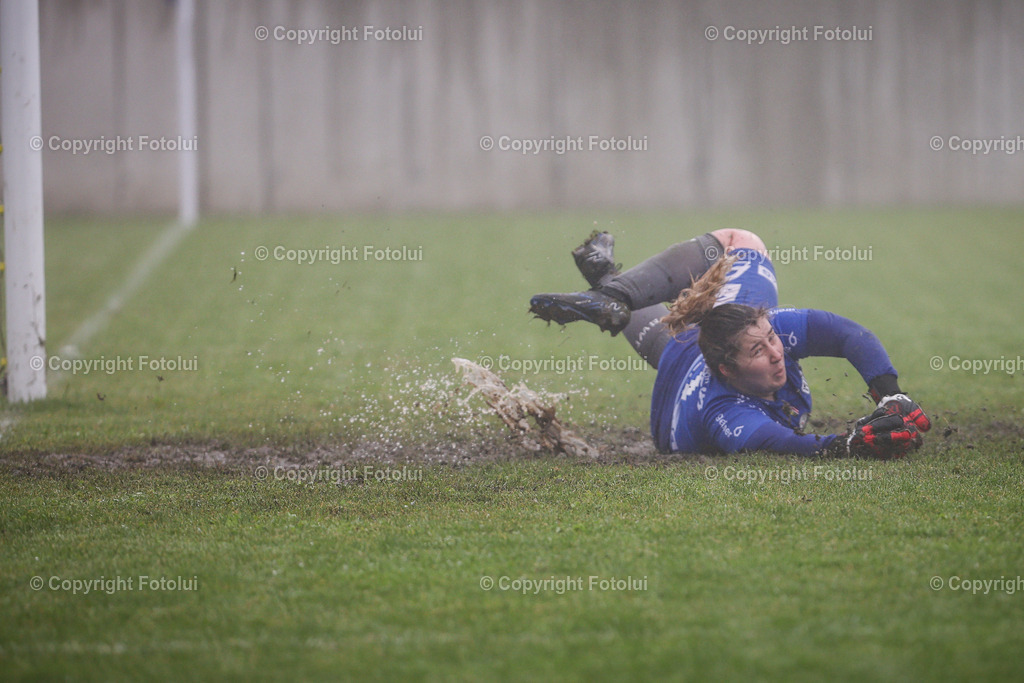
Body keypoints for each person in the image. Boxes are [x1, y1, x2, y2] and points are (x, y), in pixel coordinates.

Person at [529, 229, 931, 458]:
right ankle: (609, 284)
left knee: (740, 240)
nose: (777, 352)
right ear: (727, 369)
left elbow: (850, 335)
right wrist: (853, 445)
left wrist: (889, 397)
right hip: (674, 398)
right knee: (667, 344)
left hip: (705, 343)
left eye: (772, 339)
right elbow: (791, 445)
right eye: (759, 351)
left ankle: (613, 290)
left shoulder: (764, 329)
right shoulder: (729, 415)